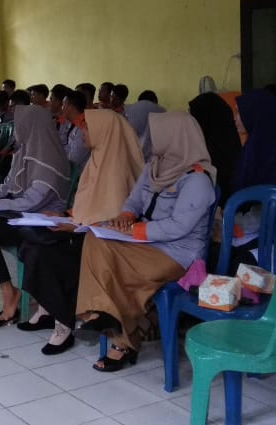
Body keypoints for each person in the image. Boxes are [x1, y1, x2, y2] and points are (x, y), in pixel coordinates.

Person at [74, 111, 217, 371]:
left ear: (175, 137)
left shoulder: (197, 179)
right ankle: (102, 314)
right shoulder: (155, 167)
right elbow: (135, 200)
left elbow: (179, 226)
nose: (152, 139)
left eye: (158, 134)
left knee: (114, 268)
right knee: (94, 238)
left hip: (176, 255)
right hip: (146, 244)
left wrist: (136, 231)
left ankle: (118, 336)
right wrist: (125, 216)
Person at [17, 108, 144, 354]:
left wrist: (75, 224)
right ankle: (50, 310)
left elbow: (112, 220)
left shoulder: (117, 166)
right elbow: (89, 206)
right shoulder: (97, 158)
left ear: (104, 131)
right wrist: (68, 216)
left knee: (46, 252)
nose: (82, 131)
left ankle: (63, 322)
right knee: (32, 244)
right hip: (83, 230)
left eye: (87, 126)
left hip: (104, 244)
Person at [0, 106, 72, 329]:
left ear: (32, 126)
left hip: (39, 220)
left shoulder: (51, 157)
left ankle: (9, 293)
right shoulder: (25, 149)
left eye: (20, 125)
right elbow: (8, 184)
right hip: (18, 214)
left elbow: (33, 201)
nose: (17, 130)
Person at [211, 89, 276, 272]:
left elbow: (275, 210)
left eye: (239, 112)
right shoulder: (251, 149)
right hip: (245, 227)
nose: (235, 118)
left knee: (226, 258)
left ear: (256, 115)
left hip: (269, 234)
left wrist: (231, 223)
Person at [189, 92, 241, 204]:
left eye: (194, 116)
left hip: (224, 205)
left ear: (203, 116)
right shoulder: (227, 138)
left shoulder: (215, 148)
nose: (191, 122)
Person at [122, 93, 165, 161]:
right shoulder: (162, 111)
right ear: (155, 100)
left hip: (132, 157)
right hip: (156, 158)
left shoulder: (129, 110)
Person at [60, 91, 90, 169]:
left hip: (80, 173)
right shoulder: (73, 123)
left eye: (63, 104)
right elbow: (68, 147)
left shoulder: (83, 128)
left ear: (71, 106)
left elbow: (73, 160)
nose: (62, 108)